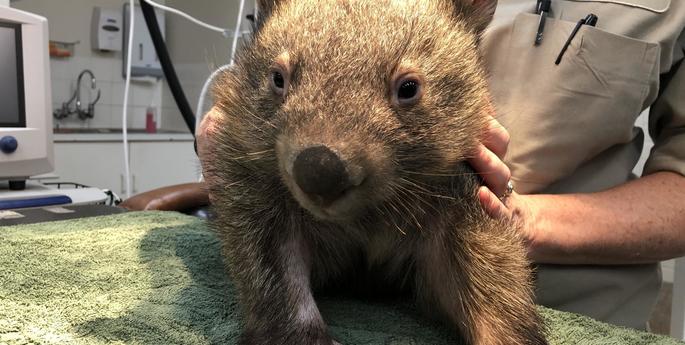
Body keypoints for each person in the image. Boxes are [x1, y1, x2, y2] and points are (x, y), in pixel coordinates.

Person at [130, 0, 685, 331]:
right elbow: (264, 68)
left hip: (568, 300)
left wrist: (510, 217)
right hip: (320, 278)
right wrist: (231, 132)